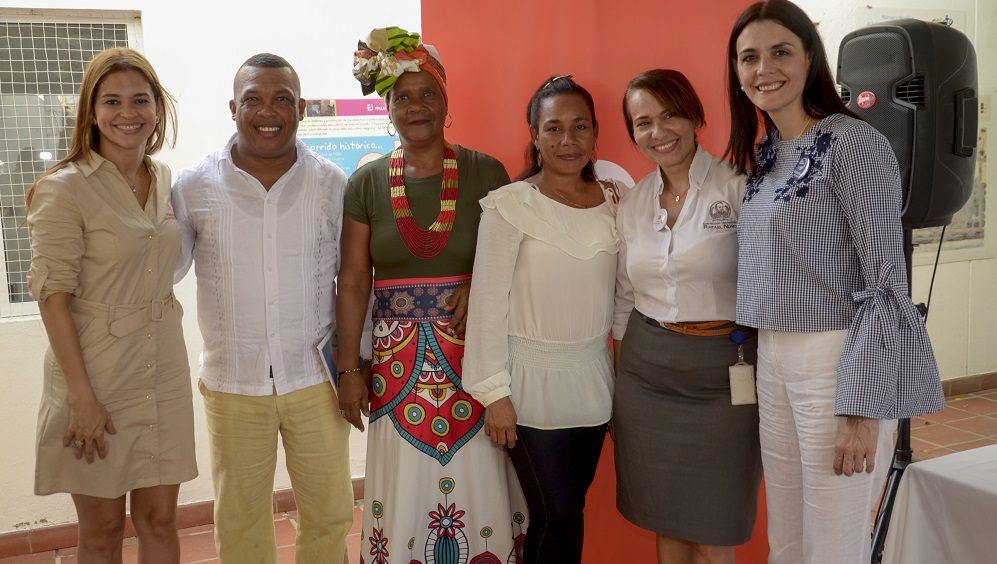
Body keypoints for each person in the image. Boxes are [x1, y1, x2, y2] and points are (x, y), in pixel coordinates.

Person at [725, 1, 944, 562]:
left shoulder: (855, 144)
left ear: (809, 59)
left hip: (836, 359)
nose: (763, 68)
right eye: (748, 57)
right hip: (772, 359)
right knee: (788, 539)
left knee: (835, 544)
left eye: (780, 52)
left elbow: (886, 281)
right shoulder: (766, 153)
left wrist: (863, 407)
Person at [336, 27, 525, 564]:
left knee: (481, 478)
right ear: (388, 107)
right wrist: (350, 370)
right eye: (402, 96)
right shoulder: (367, 182)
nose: (415, 106)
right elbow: (352, 282)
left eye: (428, 94)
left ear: (446, 102)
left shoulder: (485, 171)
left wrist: (478, 280)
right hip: (396, 370)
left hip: (476, 359)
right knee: (406, 489)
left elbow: (519, 257)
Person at [172, 53, 354, 563]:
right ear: (234, 107)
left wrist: (353, 365)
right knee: (240, 520)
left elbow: (356, 278)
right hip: (233, 384)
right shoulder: (194, 187)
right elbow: (163, 271)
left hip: (315, 380)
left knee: (331, 513)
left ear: (301, 108)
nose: (267, 111)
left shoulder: (331, 184)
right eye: (253, 98)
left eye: (282, 99)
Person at [26, 47, 196, 563]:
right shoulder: (64, 189)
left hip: (162, 363)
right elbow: (53, 299)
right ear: (91, 112)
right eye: (112, 101)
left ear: (158, 110)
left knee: (160, 521)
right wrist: (82, 397)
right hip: (95, 370)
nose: (128, 113)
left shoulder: (164, 179)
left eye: (140, 100)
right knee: (101, 529)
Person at [463, 75, 618, 564]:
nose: (567, 141)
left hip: (593, 379)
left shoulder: (615, 202)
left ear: (596, 134)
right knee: (554, 511)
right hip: (528, 385)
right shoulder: (510, 205)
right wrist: (495, 394)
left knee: (573, 510)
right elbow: (486, 304)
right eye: (553, 129)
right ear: (534, 135)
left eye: (579, 127)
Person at [612, 69, 761, 564]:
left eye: (670, 114)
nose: (659, 132)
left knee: (715, 528)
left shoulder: (740, 186)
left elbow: (771, 283)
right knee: (667, 520)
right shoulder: (631, 205)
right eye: (644, 122)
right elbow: (624, 298)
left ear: (696, 115)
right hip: (646, 376)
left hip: (726, 373)